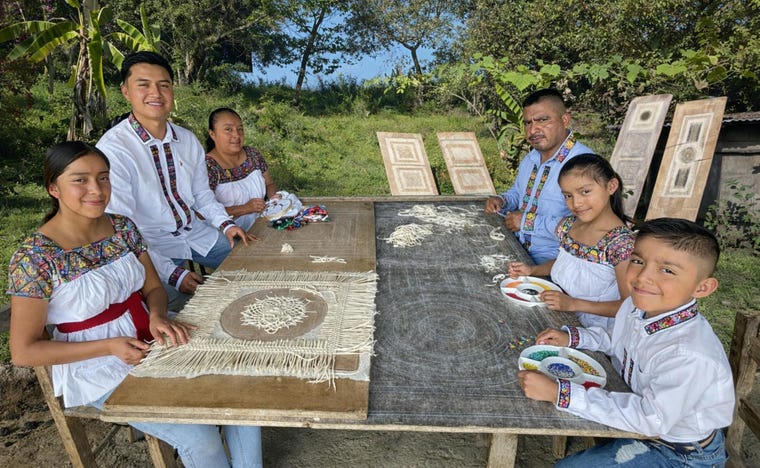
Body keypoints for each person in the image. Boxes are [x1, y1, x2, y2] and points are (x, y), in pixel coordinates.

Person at [7, 141, 262, 467]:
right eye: (80, 180)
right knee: (199, 435)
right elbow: (24, 351)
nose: (96, 189)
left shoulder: (122, 227)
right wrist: (109, 346)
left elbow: (153, 287)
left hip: (150, 335)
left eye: (103, 178)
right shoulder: (35, 257)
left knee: (242, 379)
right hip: (95, 365)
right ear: (53, 188)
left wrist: (157, 316)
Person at [518, 218, 734, 467]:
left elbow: (650, 419)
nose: (643, 277)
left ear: (703, 287)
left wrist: (560, 394)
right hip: (640, 421)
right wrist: (575, 337)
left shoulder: (689, 354)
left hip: (679, 452)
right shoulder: (637, 306)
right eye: (638, 261)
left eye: (667, 270)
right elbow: (618, 339)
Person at [97, 52, 253, 305]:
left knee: (252, 262)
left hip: (196, 232)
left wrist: (226, 224)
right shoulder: (113, 149)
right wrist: (173, 274)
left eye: (164, 85)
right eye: (144, 85)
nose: (156, 93)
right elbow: (122, 228)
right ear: (126, 92)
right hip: (151, 246)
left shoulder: (187, 139)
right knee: (176, 309)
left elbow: (202, 195)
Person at [508, 154, 634, 331]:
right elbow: (568, 262)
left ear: (611, 186)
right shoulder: (569, 225)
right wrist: (533, 270)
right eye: (568, 195)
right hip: (559, 318)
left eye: (585, 192)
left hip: (596, 334)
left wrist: (573, 304)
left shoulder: (621, 244)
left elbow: (630, 307)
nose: (576, 203)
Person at [485, 88, 594, 264]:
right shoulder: (531, 158)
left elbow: (588, 225)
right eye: (527, 123)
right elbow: (518, 193)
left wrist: (528, 222)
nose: (533, 130)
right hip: (517, 251)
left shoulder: (584, 164)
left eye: (542, 120)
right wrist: (502, 200)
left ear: (565, 120)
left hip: (557, 265)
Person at [206, 107, 280, 231]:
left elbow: (269, 184)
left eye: (240, 129)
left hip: (261, 227)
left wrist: (274, 199)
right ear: (212, 134)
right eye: (228, 129)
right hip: (226, 235)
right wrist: (245, 208)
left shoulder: (253, 155)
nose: (236, 135)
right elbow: (203, 212)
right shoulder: (207, 167)